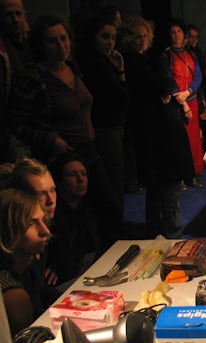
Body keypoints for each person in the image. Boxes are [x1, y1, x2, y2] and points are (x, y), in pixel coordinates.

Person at [8, 14, 122, 246]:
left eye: (64, 38)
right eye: (53, 41)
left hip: (88, 151)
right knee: (71, 222)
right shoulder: (33, 77)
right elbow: (17, 123)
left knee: (109, 211)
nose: (61, 45)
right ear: (41, 45)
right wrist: (51, 139)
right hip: (61, 159)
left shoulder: (72, 66)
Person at [119, 16, 193, 238]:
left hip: (155, 128)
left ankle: (159, 231)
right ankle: (172, 233)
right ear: (128, 38)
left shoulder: (144, 59)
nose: (142, 40)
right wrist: (165, 88)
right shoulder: (134, 62)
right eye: (137, 36)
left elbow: (167, 84)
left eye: (145, 35)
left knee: (159, 186)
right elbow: (162, 84)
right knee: (165, 184)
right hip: (153, 130)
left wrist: (166, 88)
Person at [76, 13, 129, 209]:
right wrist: (120, 74)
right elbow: (122, 97)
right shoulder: (93, 63)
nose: (110, 42)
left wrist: (120, 69)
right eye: (105, 36)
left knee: (114, 186)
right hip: (103, 129)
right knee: (113, 189)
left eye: (113, 37)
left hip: (109, 127)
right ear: (92, 36)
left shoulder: (104, 61)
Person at [0, 188, 57, 336]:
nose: (45, 231)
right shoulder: (13, 295)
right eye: (31, 223)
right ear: (8, 230)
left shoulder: (28, 265)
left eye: (43, 220)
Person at [46, 152, 101, 286]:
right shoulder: (54, 213)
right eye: (72, 175)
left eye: (84, 174)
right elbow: (64, 260)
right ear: (59, 181)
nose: (81, 179)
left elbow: (90, 244)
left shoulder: (85, 205)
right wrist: (58, 264)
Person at [160, 19, 204, 180]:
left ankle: (194, 171)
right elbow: (168, 79)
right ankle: (181, 174)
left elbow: (198, 76)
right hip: (176, 103)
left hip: (191, 99)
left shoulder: (191, 54)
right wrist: (183, 100)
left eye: (179, 31)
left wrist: (189, 92)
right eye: (173, 32)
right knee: (179, 139)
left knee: (194, 138)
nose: (176, 35)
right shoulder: (166, 56)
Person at [0, 0, 31, 162]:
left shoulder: (29, 43)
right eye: (9, 15)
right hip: (12, 130)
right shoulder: (3, 51)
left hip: (33, 125)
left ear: (25, 15)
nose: (15, 19)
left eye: (18, 14)